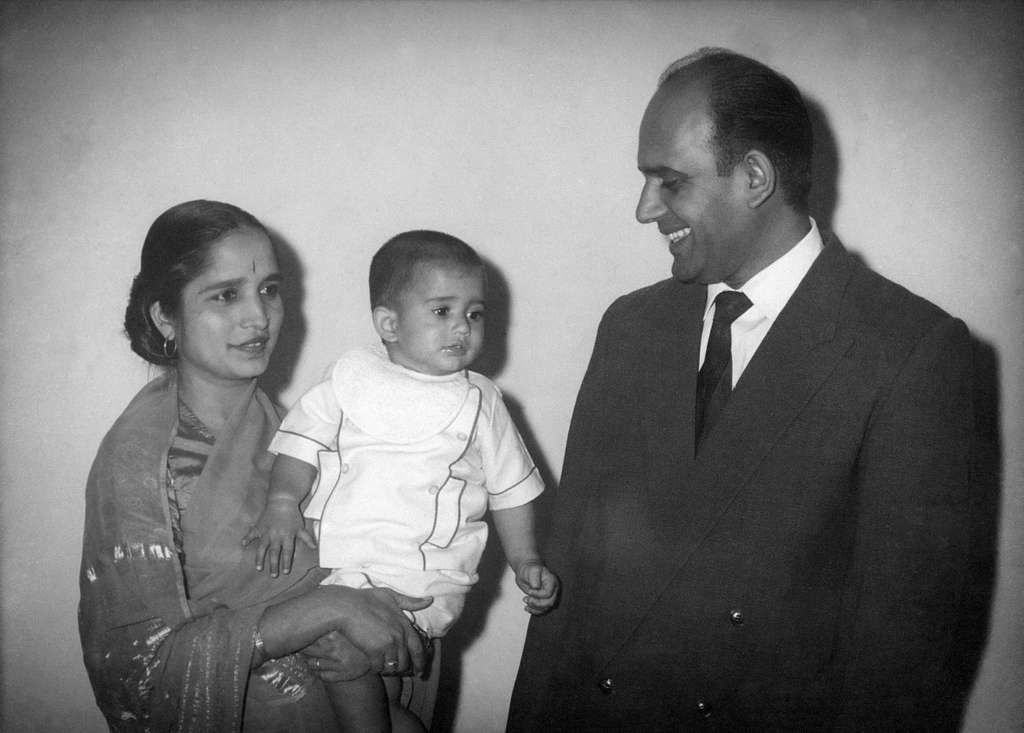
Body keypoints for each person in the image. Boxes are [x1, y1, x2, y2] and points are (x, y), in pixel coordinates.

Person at [508, 48, 982, 731]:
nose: (645, 209)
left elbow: (899, 666)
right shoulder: (631, 325)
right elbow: (568, 580)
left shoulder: (909, 351)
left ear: (755, 176)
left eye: (669, 181)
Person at [79, 200, 434, 732]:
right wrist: (323, 611)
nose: (258, 316)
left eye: (269, 289)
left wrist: (367, 621)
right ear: (165, 316)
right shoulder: (138, 463)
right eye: (226, 295)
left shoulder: (282, 423)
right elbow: (137, 670)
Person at [244, 230, 560, 731]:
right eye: (442, 312)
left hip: (422, 578)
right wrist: (283, 500)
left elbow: (510, 490)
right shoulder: (349, 379)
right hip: (338, 564)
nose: (462, 327)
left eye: (474, 314)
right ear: (388, 323)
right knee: (351, 661)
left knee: (346, 650)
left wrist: (526, 559)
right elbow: (300, 442)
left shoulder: (482, 402)